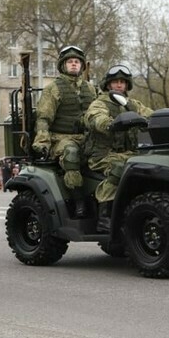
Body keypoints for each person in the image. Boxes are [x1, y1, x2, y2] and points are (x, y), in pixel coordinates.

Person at [83, 64, 153, 225]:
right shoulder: (100, 103)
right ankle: (105, 214)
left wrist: (167, 119)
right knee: (120, 168)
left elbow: (150, 115)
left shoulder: (133, 104)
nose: (119, 84)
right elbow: (95, 118)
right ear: (108, 84)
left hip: (131, 153)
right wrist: (110, 124)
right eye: (115, 81)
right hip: (103, 156)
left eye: (122, 81)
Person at [32, 46, 98, 215]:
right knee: (71, 153)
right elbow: (44, 117)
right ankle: (78, 201)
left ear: (82, 66)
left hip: (87, 137)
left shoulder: (90, 89)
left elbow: (99, 112)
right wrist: (42, 141)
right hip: (61, 138)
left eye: (77, 62)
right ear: (63, 65)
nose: (74, 64)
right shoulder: (53, 88)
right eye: (70, 62)